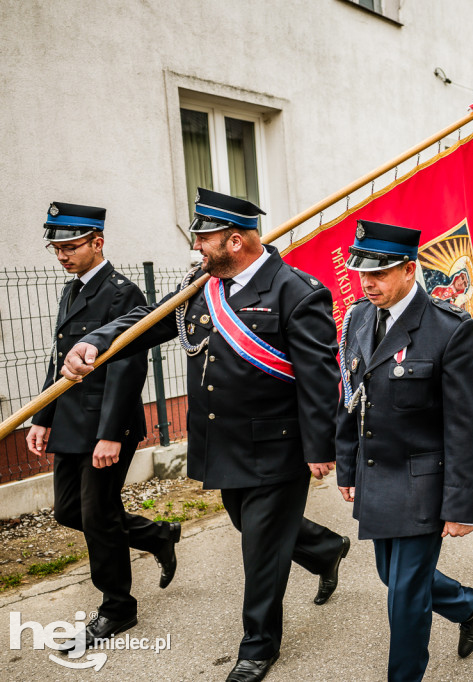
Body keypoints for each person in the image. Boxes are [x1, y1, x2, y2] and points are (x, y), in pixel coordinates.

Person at [62, 189, 350, 682]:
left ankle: (258, 646)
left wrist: (321, 447)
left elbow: (321, 377)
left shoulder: (296, 291)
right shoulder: (203, 282)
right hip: (224, 443)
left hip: (277, 444)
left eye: (204, 240)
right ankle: (325, 550)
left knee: (259, 548)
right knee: (251, 526)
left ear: (234, 241)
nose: (197, 249)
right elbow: (148, 321)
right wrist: (96, 340)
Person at [336, 220, 473, 682]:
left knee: (403, 594)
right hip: (377, 474)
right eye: (362, 272)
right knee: (393, 576)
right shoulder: (358, 317)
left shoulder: (450, 329)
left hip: (424, 479)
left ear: (409, 269)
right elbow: (347, 396)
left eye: (379, 273)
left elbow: (468, 425)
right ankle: (467, 603)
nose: (367, 282)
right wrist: (346, 466)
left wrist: (461, 504)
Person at [26, 202, 180, 653]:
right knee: (68, 512)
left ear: (98, 242)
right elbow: (61, 361)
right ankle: (157, 535)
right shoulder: (72, 290)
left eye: (71, 246)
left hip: (107, 425)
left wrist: (110, 433)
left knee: (97, 514)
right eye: (56, 248)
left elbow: (128, 367)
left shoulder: (122, 292)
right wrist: (42, 417)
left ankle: (117, 607)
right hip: (71, 420)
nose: (62, 256)